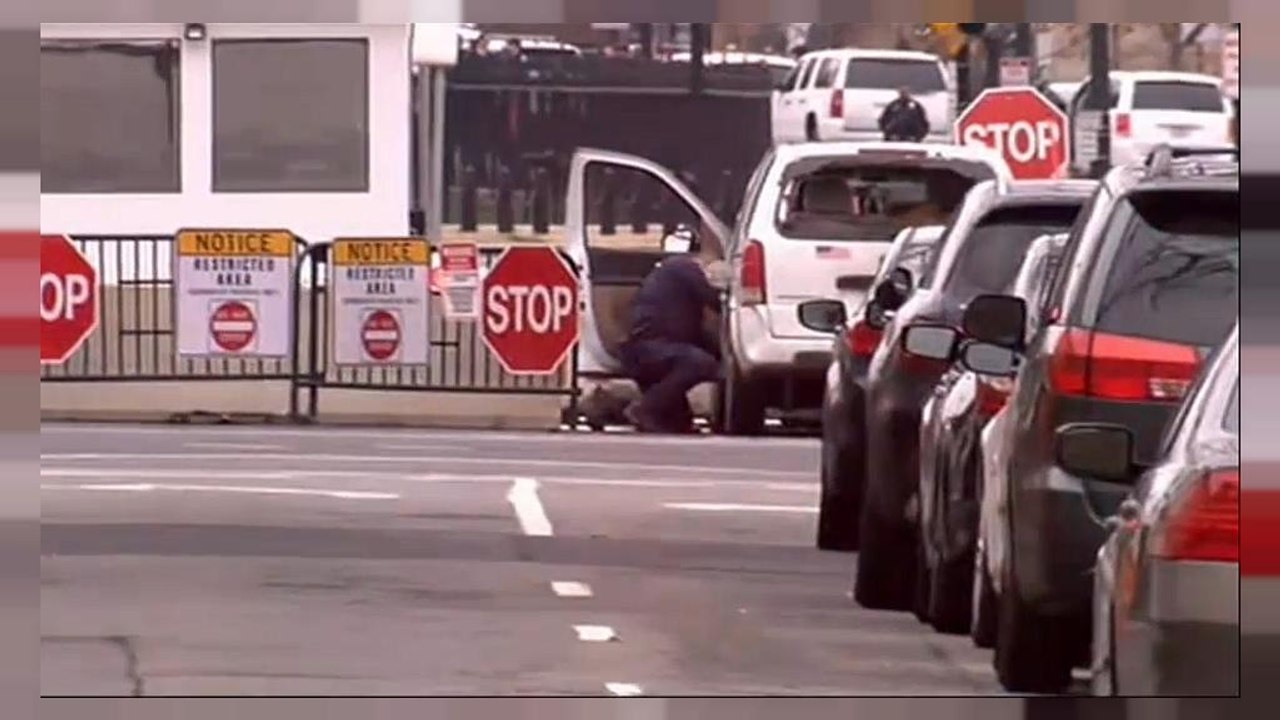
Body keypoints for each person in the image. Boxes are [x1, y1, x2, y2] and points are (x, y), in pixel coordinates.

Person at [620, 253, 727, 434]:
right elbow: (717, 302)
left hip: (644, 351)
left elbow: (689, 331)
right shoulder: (683, 267)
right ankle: (645, 409)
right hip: (650, 351)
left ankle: (660, 413)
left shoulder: (669, 276)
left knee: (681, 424)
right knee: (702, 364)